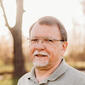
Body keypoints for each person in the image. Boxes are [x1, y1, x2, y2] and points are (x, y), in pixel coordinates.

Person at [17, 16, 85, 85]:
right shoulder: (23, 81)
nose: (39, 47)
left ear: (63, 47)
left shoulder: (80, 81)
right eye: (34, 40)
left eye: (48, 40)